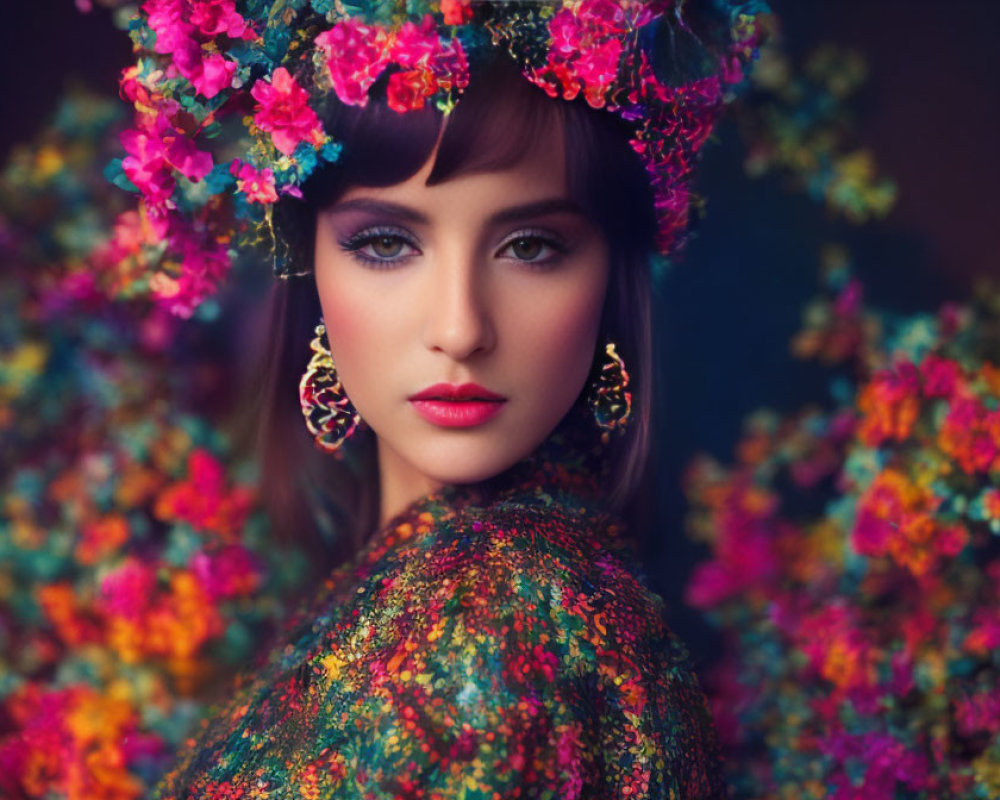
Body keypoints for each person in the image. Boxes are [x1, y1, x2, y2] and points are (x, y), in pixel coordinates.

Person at [120, 1, 769, 796]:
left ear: (610, 278)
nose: (460, 330)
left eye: (531, 247)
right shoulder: (440, 584)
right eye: (387, 244)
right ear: (311, 270)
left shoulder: (500, 619)